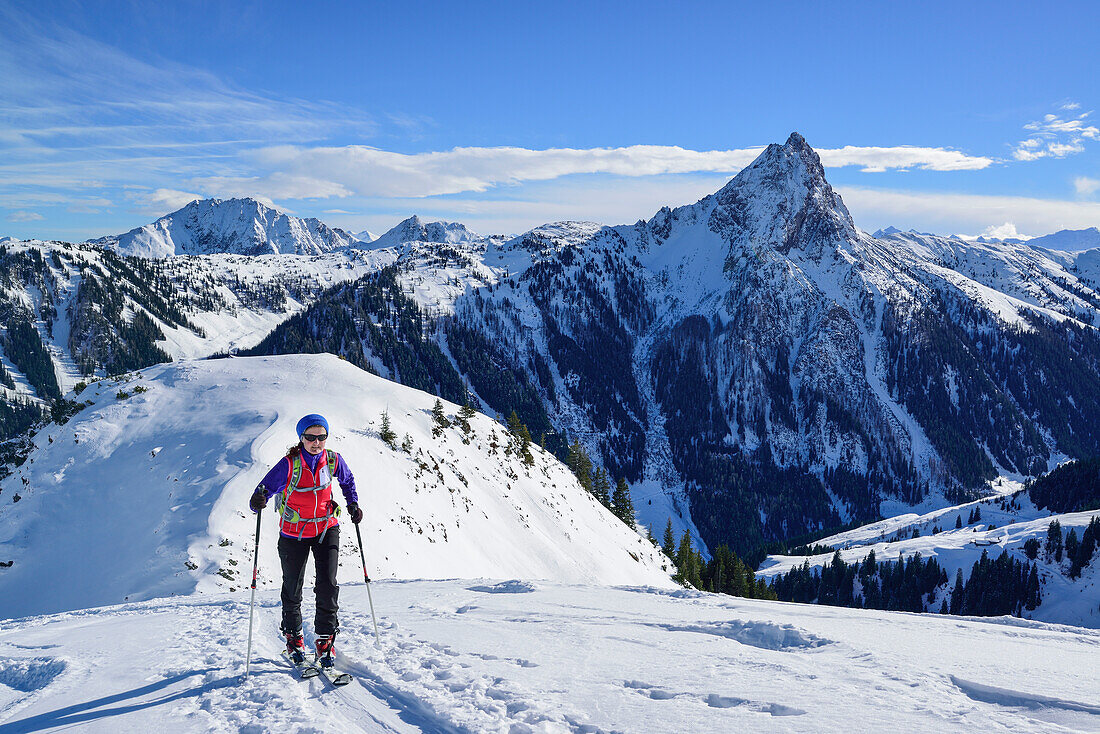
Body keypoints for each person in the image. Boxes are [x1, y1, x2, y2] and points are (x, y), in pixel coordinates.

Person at [249, 413, 363, 668]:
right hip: (293, 534)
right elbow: (263, 490)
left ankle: (325, 641)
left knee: (328, 585)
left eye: (321, 437)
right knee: (293, 587)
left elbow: (347, 480)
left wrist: (353, 503)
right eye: (310, 437)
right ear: (301, 438)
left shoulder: (332, 460)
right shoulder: (289, 464)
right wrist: (257, 502)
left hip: (326, 529)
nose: (316, 442)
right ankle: (294, 640)